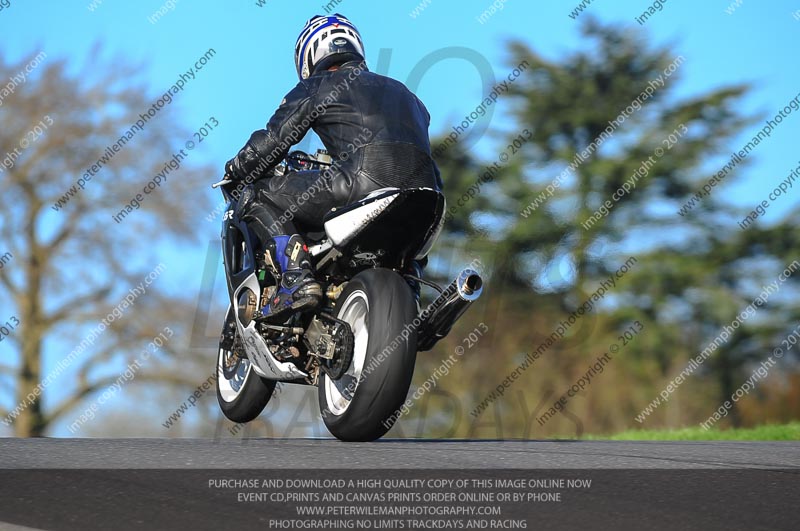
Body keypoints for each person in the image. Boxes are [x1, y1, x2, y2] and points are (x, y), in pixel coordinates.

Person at [224, 13, 441, 323]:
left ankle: (296, 277)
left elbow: (274, 140)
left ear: (309, 56)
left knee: (256, 195)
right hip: (429, 196)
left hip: (362, 182)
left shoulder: (321, 83)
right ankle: (411, 291)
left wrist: (237, 168)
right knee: (409, 237)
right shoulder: (411, 97)